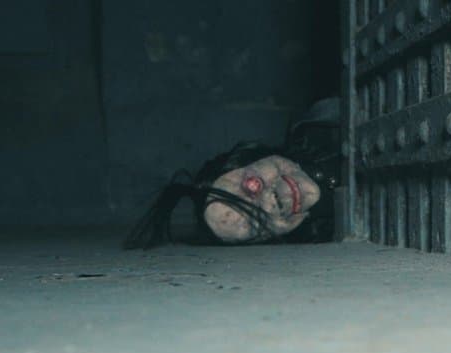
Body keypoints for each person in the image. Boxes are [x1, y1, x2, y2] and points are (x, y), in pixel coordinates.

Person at [124, 98, 341, 249]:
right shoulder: (327, 237)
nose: (269, 204)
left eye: (253, 184)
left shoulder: (323, 124)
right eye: (257, 224)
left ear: (254, 157)